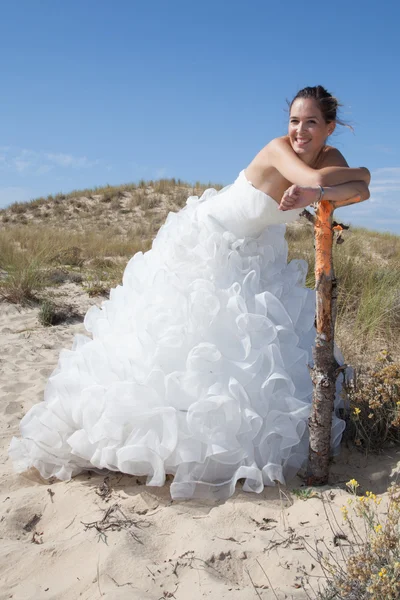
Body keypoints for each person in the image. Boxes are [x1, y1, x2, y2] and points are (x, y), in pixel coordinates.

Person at [9, 85, 370, 501]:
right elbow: (321, 180)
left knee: (246, 351)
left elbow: (359, 191)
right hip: (210, 238)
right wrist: (346, 179)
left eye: (310, 123)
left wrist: (341, 185)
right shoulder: (278, 149)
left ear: (329, 127)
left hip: (253, 250)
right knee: (186, 341)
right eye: (293, 121)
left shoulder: (330, 159)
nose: (300, 131)